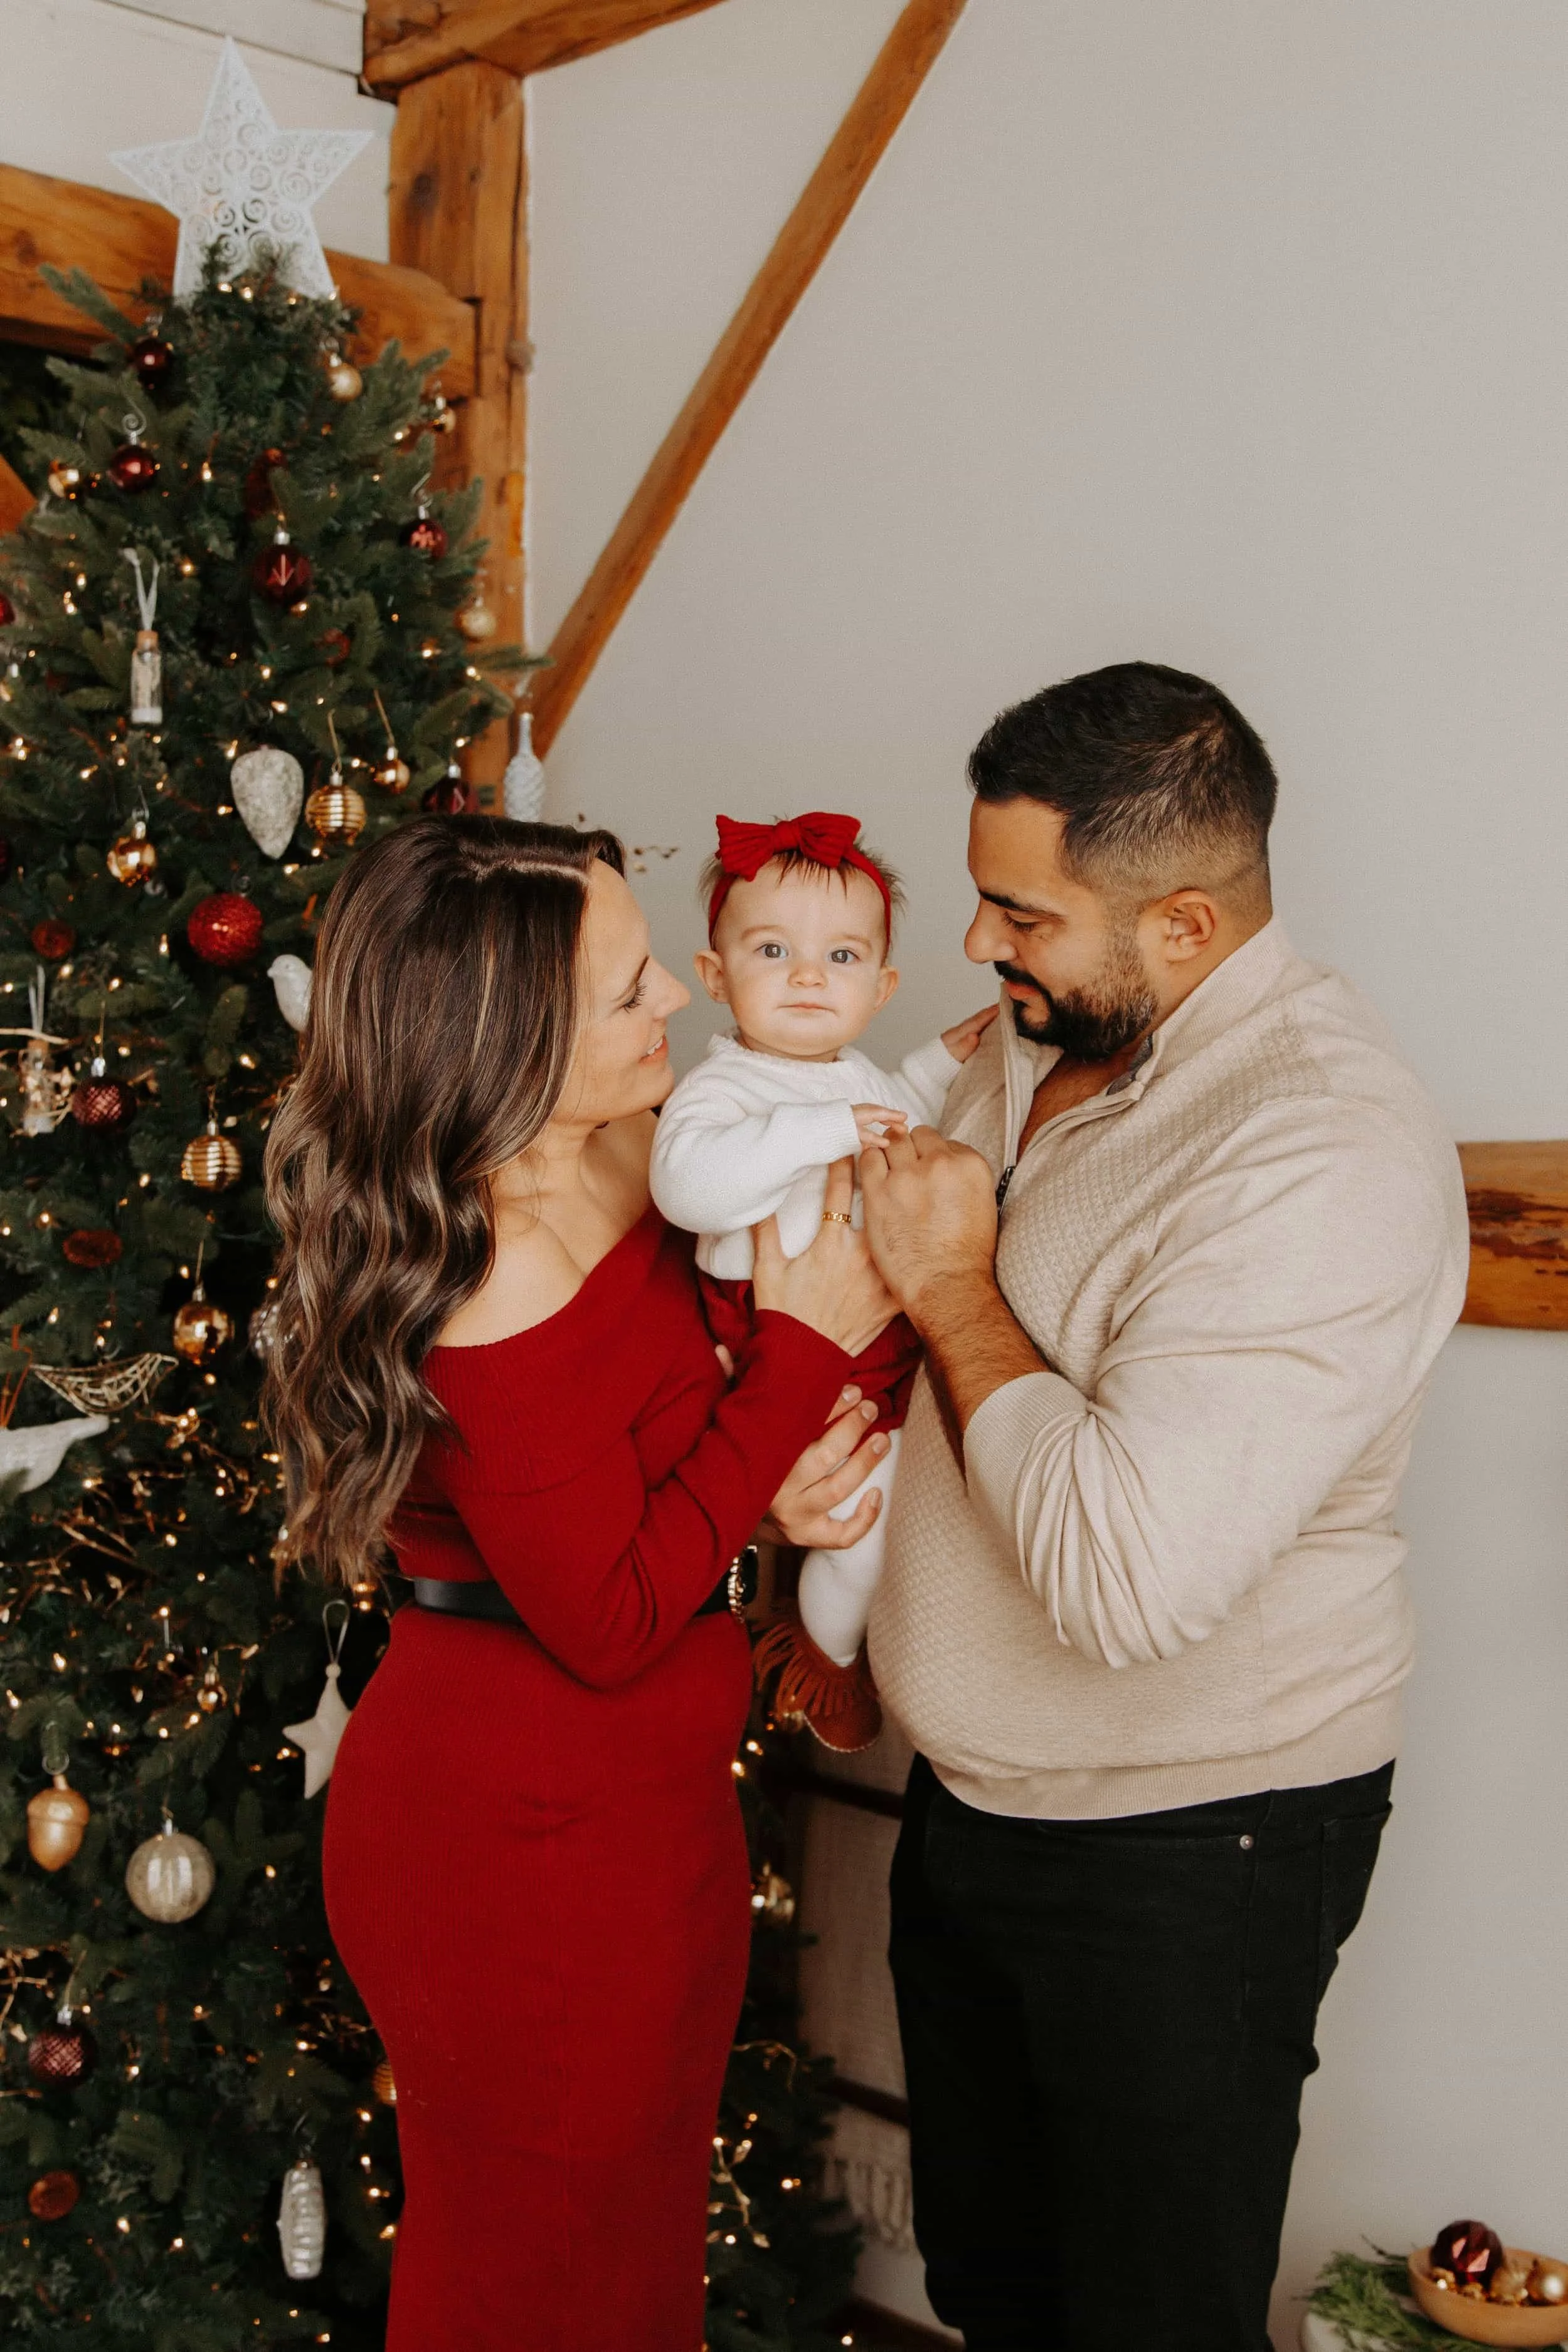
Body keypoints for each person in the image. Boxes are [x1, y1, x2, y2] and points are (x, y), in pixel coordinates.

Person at [859, 663, 1469, 2351]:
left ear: (1186, 926)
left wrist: (951, 1293)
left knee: (1141, 2323)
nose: (979, 943)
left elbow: (1124, 1575)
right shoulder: (1047, 1027)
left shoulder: (1317, 1149)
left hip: (1186, 1847)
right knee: (994, 2287)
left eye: (1017, 910)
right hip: (976, 1800)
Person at [262, 813, 896, 2352]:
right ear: (509, 1038)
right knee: (527, 2287)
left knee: (623, 2272)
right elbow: (605, 1615)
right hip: (517, 1848)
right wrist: (806, 1342)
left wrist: (779, 1488)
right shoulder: (484, 1263)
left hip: (645, 1810)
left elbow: (668, 1463)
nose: (671, 1003)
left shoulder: (635, 1150)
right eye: (626, 992)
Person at [649, 809, 994, 1749]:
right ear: (716, 978)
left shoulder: (854, 1074)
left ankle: (848, 1640)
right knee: (853, 1522)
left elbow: (891, 1103)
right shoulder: (720, 1090)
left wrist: (937, 1062)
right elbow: (689, 1186)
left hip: (880, 1344)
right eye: (774, 949)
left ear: (881, 988)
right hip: (770, 1348)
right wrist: (833, 1129)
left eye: (843, 958)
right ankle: (825, 1658)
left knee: (903, 1514)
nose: (809, 975)